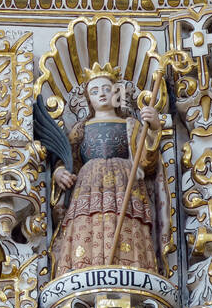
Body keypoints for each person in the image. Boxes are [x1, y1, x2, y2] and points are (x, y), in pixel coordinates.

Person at [51, 66, 162, 276]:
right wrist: (59, 173)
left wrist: (154, 129)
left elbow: (146, 162)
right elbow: (67, 160)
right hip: (88, 186)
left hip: (124, 183)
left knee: (126, 223)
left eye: (106, 89)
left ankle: (129, 269)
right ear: (88, 99)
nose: (101, 94)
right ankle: (85, 270)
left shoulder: (131, 125)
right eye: (94, 91)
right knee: (86, 222)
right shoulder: (81, 129)